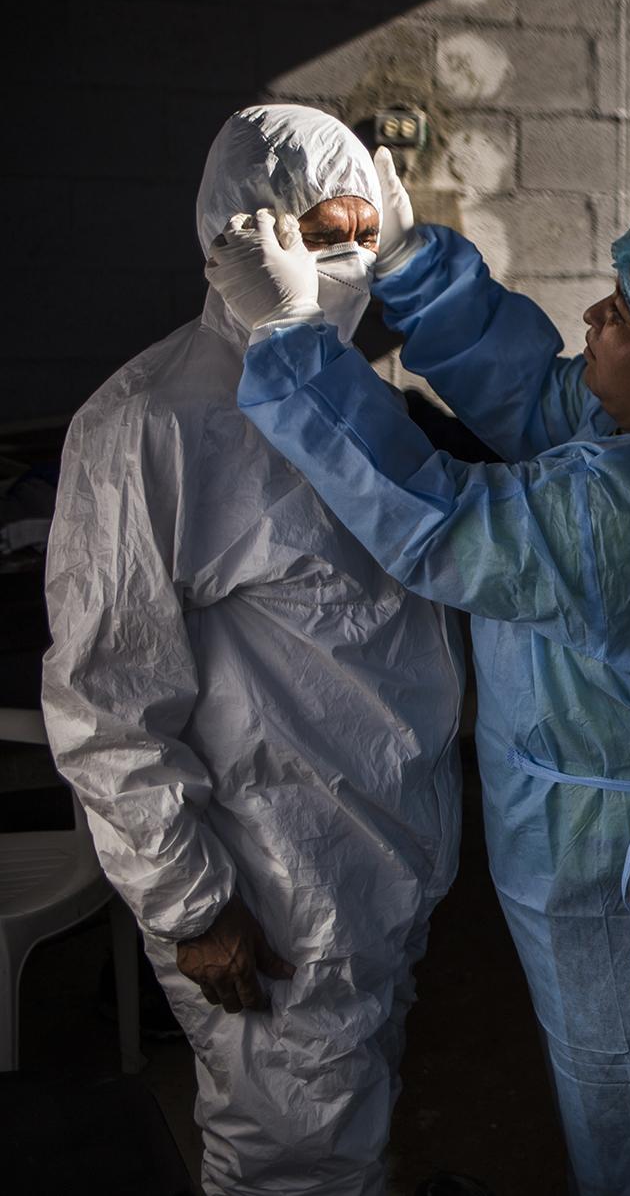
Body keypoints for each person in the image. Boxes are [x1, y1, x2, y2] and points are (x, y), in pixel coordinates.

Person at [202, 157, 630, 1194]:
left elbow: (438, 519)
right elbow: (537, 392)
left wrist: (294, 344)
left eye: (618, 315)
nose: (592, 315)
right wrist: (408, 258)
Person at [41, 105, 466, 1195]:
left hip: (379, 859)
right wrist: (191, 902)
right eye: (320, 234)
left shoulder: (356, 402)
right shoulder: (150, 424)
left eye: (364, 236)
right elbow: (105, 698)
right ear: (238, 236)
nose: (349, 262)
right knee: (292, 1159)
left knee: (347, 1128)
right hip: (272, 889)